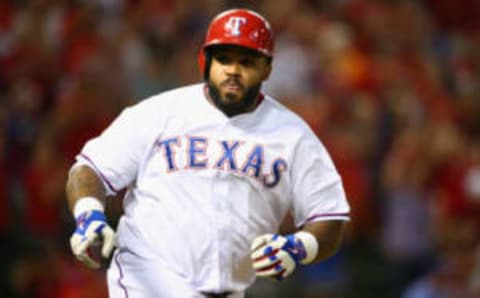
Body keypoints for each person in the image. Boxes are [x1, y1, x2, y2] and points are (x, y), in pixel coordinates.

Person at [66, 8, 350, 298]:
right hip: (147, 281)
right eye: (223, 59)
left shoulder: (293, 135)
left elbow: (328, 216)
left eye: (247, 61)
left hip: (228, 291)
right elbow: (90, 169)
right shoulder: (158, 113)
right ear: (205, 60)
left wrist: (299, 246)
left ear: (267, 68)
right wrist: (88, 214)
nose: (233, 70)